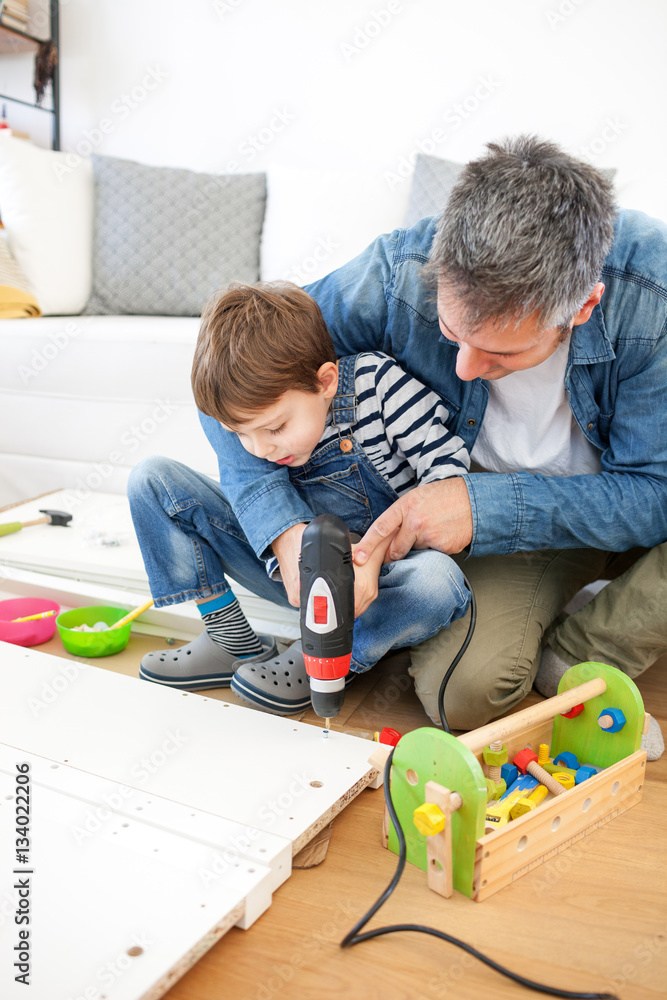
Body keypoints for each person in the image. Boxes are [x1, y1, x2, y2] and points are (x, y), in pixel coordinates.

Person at [185, 134, 665, 757]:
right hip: (525, 540)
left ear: (583, 306)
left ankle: (592, 650)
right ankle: (557, 617)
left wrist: (480, 506)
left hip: (620, 505)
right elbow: (231, 389)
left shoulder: (650, 296)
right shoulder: (396, 273)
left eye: (501, 351)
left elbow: (653, 494)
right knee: (462, 695)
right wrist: (287, 533)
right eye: (450, 331)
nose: (464, 368)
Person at [128, 281, 472, 714]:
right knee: (151, 481)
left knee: (438, 583)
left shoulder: (379, 388)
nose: (260, 450)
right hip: (295, 580)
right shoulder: (262, 437)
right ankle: (231, 641)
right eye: (240, 435)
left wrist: (372, 556)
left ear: (325, 381)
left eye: (274, 428)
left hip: (379, 586)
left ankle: (328, 657)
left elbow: (450, 478)